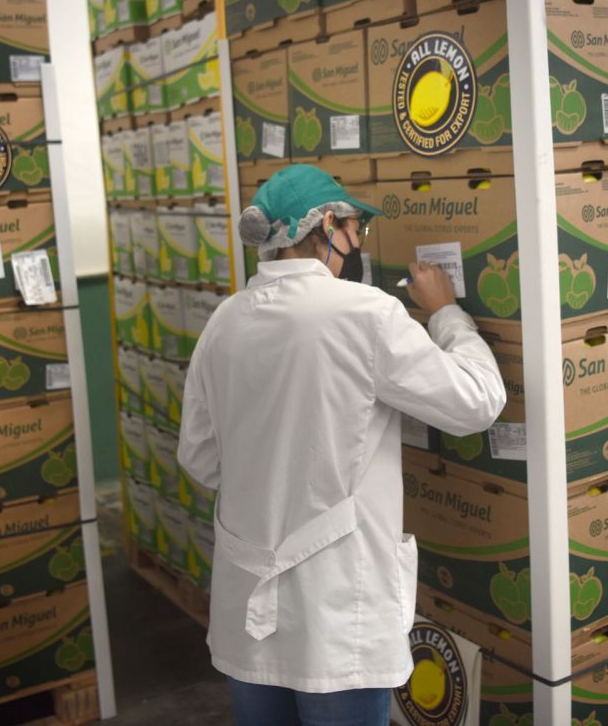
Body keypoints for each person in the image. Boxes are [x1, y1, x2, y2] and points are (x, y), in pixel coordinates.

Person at [177, 164, 506, 726]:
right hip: (335, 614)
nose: (359, 244)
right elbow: (477, 401)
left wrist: (274, 479)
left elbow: (201, 459)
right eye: (358, 229)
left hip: (247, 607)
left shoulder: (224, 322)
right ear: (328, 225)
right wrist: (446, 313)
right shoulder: (364, 313)